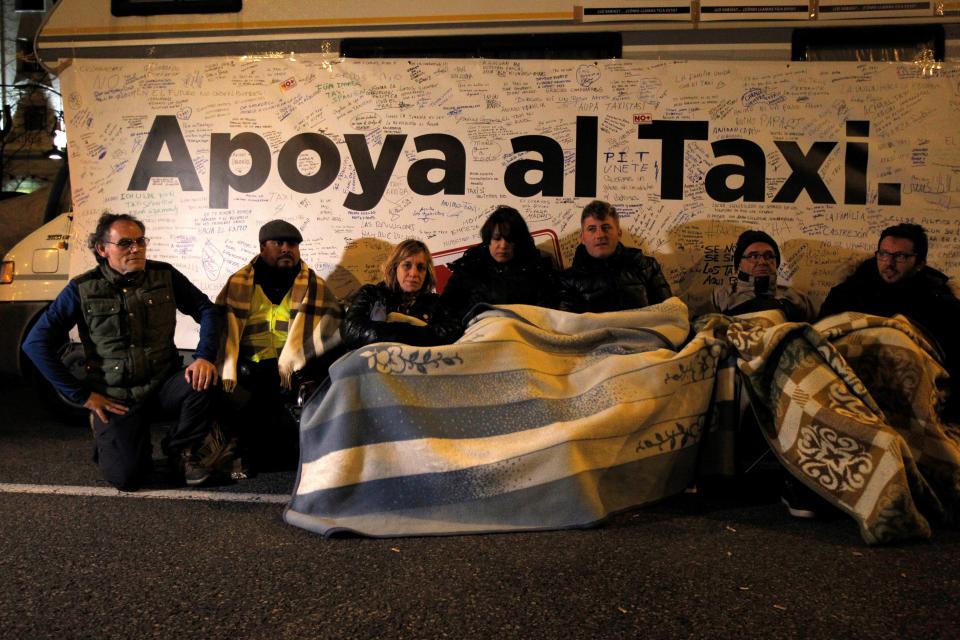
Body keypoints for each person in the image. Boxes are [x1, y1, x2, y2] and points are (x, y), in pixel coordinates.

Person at [22, 213, 221, 491]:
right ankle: (112, 442)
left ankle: (182, 452)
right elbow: (34, 343)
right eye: (125, 243)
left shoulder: (164, 275)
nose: (136, 248)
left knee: (204, 382)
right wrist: (82, 396)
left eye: (140, 241)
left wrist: (204, 356)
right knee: (126, 478)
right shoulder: (82, 289)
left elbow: (207, 309)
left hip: (163, 384)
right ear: (102, 249)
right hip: (116, 396)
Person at [216, 219, 343, 471]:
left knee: (282, 449)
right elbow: (220, 329)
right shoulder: (239, 284)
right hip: (249, 369)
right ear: (263, 248)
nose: (287, 248)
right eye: (279, 243)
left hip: (292, 372)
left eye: (293, 244)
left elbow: (332, 332)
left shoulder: (314, 286)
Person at [820, 222, 960, 419]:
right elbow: (822, 337)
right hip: (852, 389)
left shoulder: (941, 304)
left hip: (915, 398)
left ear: (920, 263)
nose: (889, 264)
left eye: (900, 257)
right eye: (883, 254)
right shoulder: (848, 293)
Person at [440, 205, 559, 326]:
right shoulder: (469, 267)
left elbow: (547, 314)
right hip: (475, 337)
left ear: (518, 242)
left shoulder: (537, 270)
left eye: (509, 239)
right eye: (497, 238)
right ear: (488, 240)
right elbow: (446, 308)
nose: (503, 245)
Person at [340, 239, 459, 350]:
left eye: (420, 267)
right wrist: (412, 330)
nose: (413, 273)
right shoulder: (372, 294)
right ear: (395, 267)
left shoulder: (435, 303)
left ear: (427, 273)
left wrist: (393, 328)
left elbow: (450, 334)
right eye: (407, 265)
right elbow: (351, 330)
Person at [560, 200, 672, 313]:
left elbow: (668, 315)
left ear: (619, 233)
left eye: (606, 227)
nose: (599, 235)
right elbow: (567, 326)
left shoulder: (647, 267)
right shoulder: (568, 280)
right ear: (582, 238)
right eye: (592, 229)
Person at [711, 229, 814, 322]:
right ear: (739, 264)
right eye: (753, 256)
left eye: (769, 256)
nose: (762, 262)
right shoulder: (721, 296)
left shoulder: (796, 298)